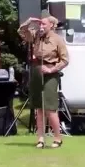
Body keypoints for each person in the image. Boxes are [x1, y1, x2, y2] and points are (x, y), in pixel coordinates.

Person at [18, 13, 69, 149]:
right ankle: (40, 138)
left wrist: (52, 69)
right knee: (38, 107)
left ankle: (58, 137)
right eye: (40, 24)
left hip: (50, 73)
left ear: (51, 25)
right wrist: (28, 22)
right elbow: (22, 32)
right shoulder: (36, 36)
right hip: (36, 70)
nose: (41, 26)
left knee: (50, 107)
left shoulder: (57, 39)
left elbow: (65, 60)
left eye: (43, 24)